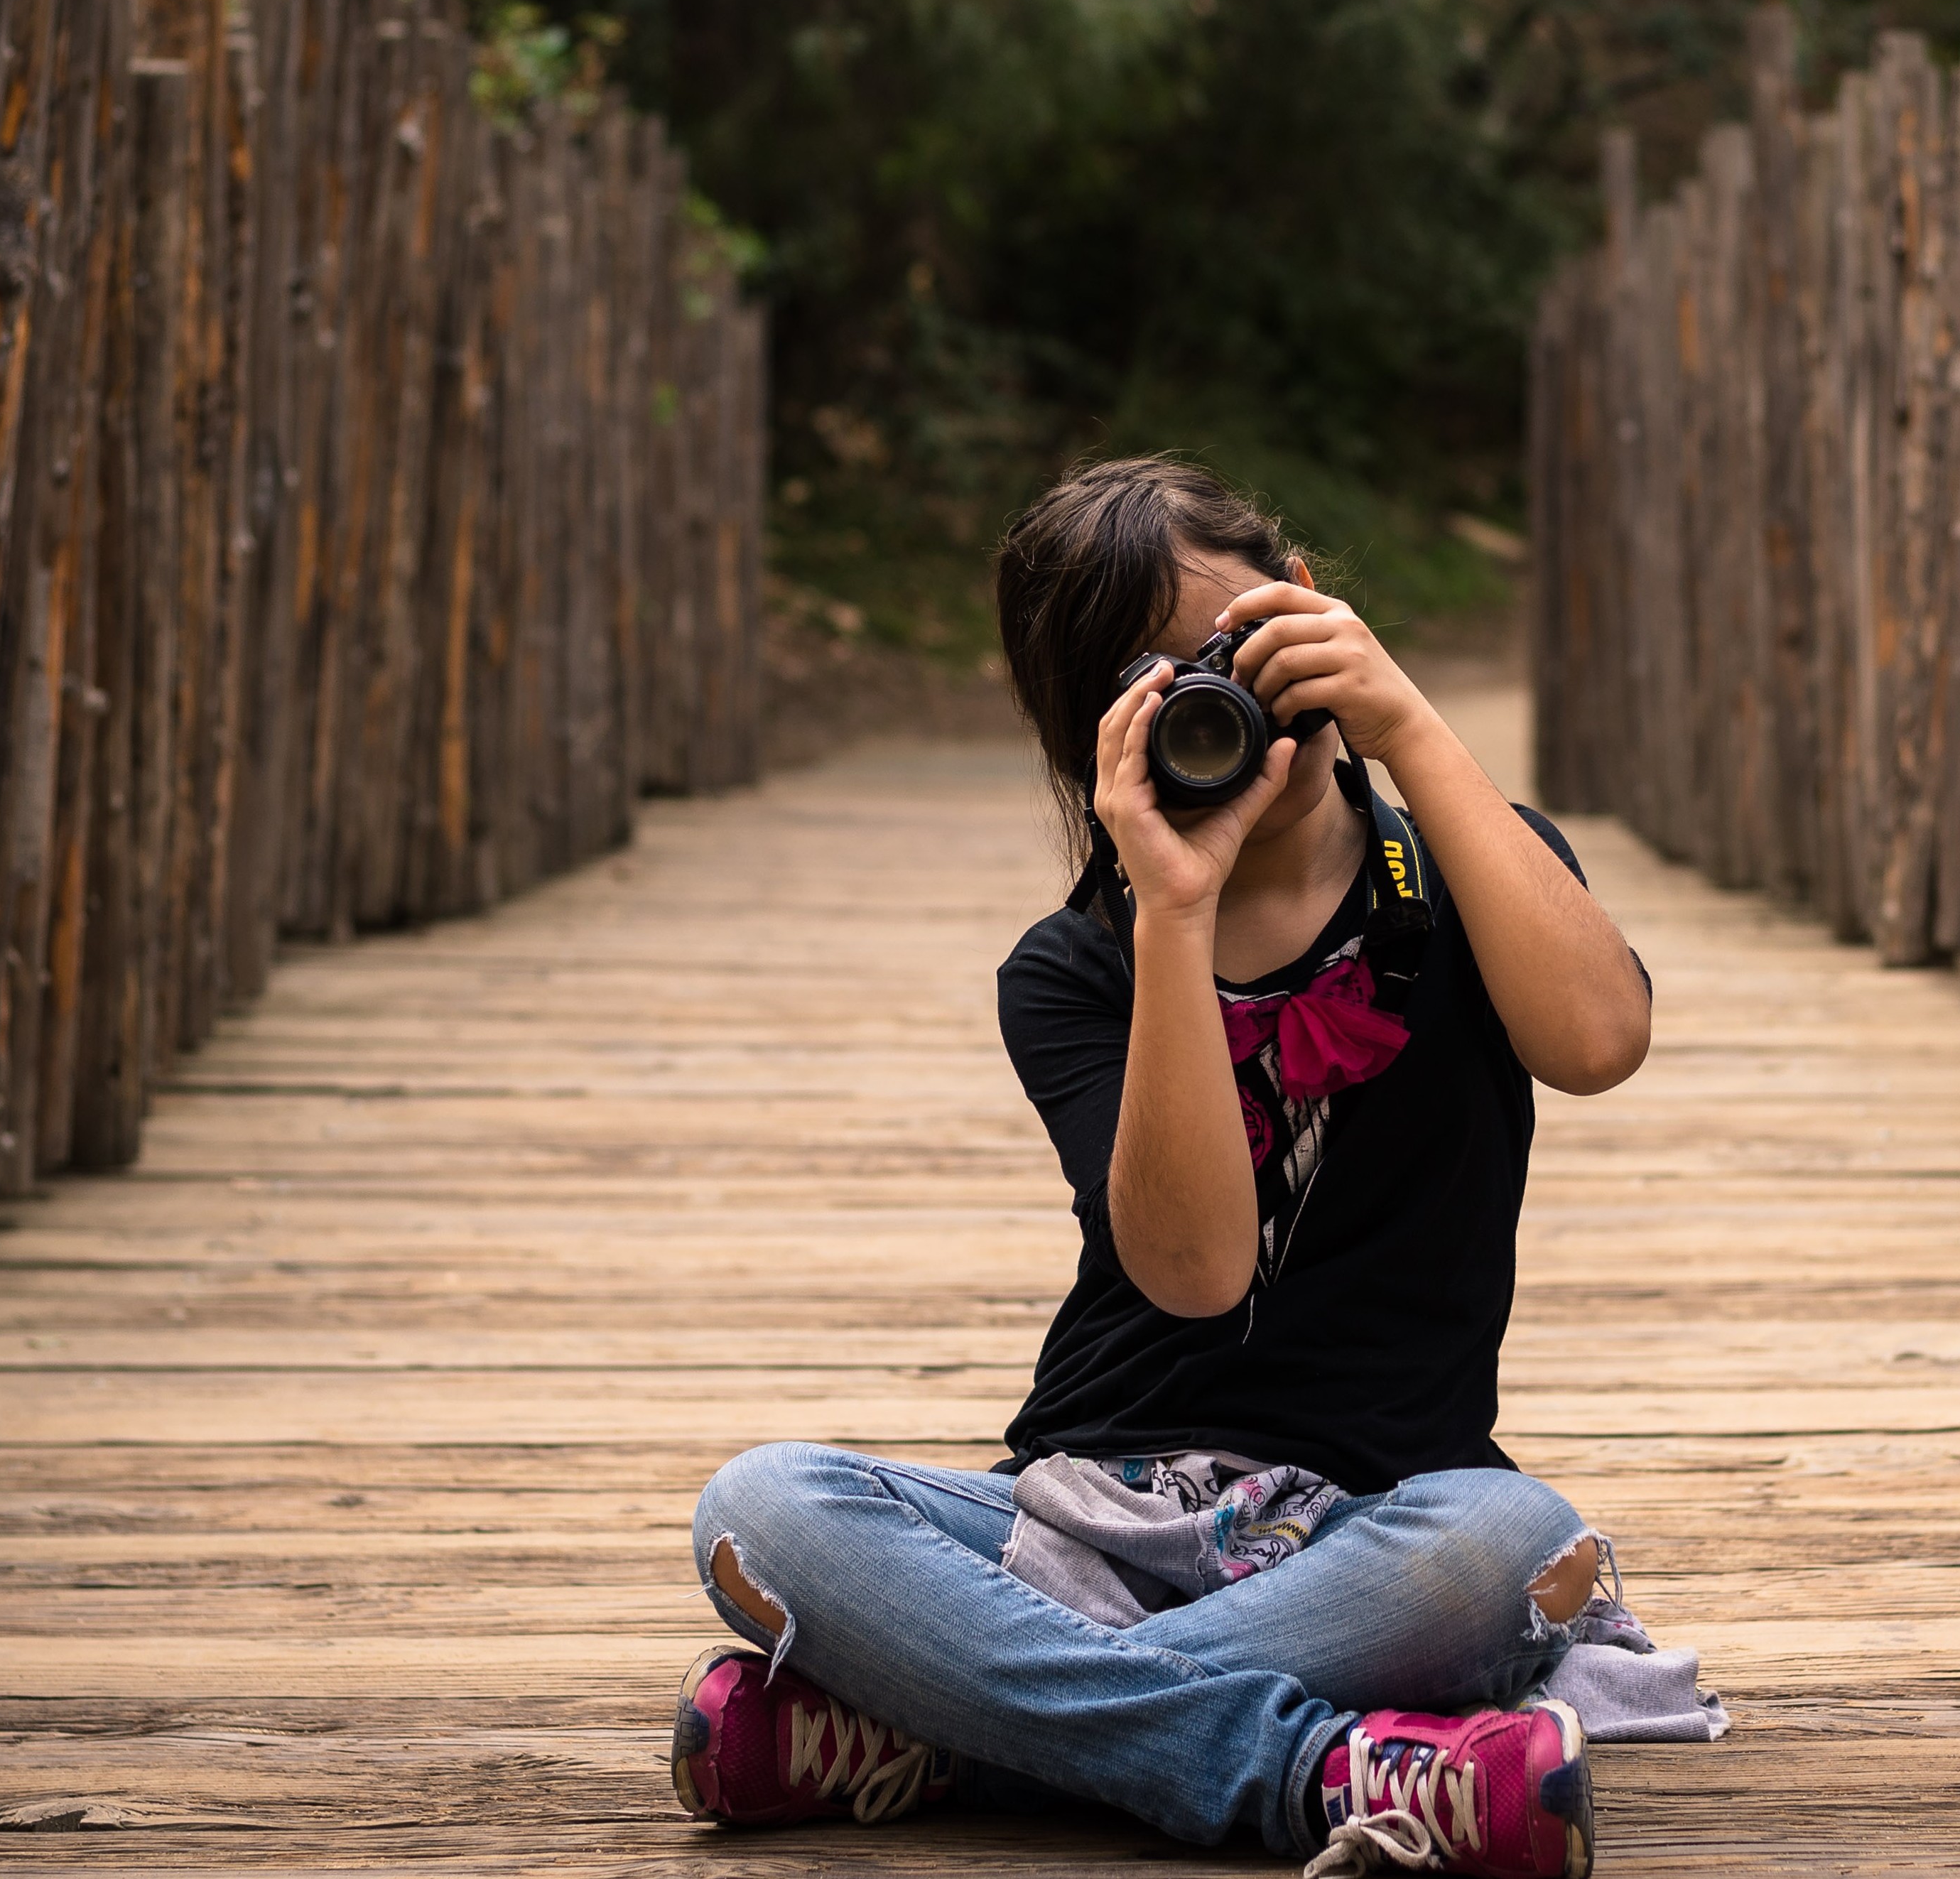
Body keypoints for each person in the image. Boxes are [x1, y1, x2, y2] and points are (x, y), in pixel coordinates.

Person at [673, 457, 1659, 1875]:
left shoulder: (1466, 877)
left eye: (1247, 645)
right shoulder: (1075, 968)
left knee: (1510, 1541)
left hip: (1375, 1521)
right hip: (1088, 1510)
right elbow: (1194, 1272)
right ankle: (1313, 1770)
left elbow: (1597, 1039)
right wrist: (1173, 915)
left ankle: (948, 1729)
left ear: (1309, 600)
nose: (1240, 704)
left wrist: (1409, 725)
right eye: (1176, 687)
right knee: (756, 1511)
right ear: (1100, 744)